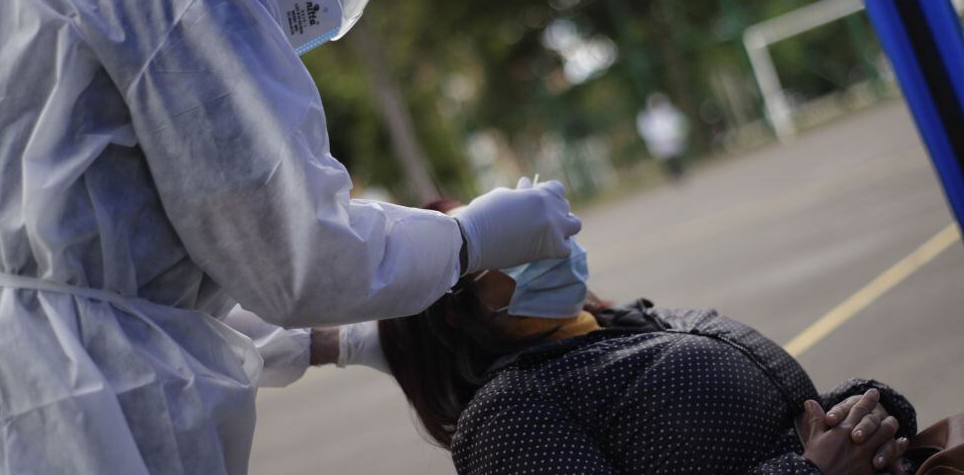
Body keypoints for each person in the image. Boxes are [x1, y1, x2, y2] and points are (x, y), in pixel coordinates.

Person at [0, 0, 582, 474]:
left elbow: (140, 282)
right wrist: (471, 237)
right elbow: (300, 254)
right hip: (72, 405)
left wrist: (342, 341)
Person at [376, 201, 918, 475]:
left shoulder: (622, 323)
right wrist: (809, 471)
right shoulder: (506, 417)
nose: (535, 237)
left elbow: (781, 423)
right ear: (453, 310)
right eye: (499, 241)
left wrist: (866, 418)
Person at [636, 91, 690, 180]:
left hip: (672, 138)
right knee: (668, 159)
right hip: (661, 141)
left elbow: (676, 122)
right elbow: (647, 130)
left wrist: (676, 134)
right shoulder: (649, 116)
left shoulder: (669, 111)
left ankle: (679, 172)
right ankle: (674, 174)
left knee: (675, 157)